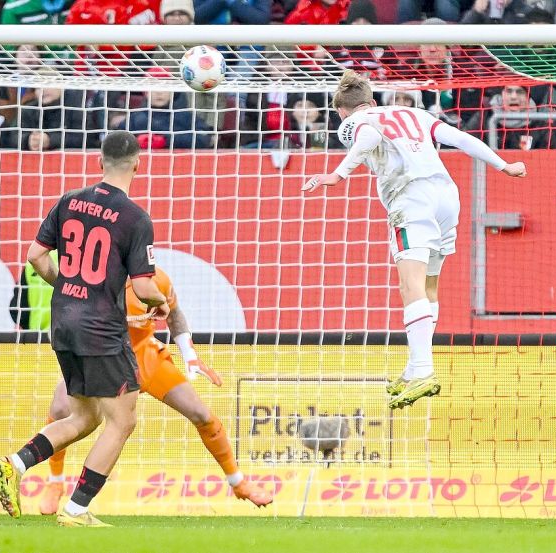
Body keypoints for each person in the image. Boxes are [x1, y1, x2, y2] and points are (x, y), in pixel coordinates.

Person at [303, 70, 526, 409]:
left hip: (411, 198)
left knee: (410, 286)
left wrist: (338, 174)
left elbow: (365, 138)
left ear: (342, 111)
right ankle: (413, 367)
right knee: (429, 286)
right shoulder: (414, 113)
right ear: (372, 100)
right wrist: (504, 165)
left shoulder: (354, 122)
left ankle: (423, 370)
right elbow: (460, 139)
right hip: (446, 196)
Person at [0, 131, 168, 527]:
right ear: (139, 164)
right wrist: (162, 303)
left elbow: (36, 255)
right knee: (123, 420)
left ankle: (15, 464)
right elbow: (142, 286)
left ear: (99, 162)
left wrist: (67, 286)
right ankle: (76, 508)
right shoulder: (136, 218)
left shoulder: (69, 201)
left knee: (84, 418)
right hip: (101, 327)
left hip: (64, 323)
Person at [37, 266, 274, 515]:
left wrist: (190, 355)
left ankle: (238, 482)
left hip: (146, 359)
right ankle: (55, 483)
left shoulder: (157, 280)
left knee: (202, 415)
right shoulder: (98, 282)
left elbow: (174, 314)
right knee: (61, 407)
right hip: (105, 361)